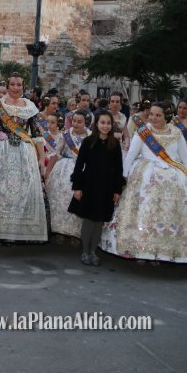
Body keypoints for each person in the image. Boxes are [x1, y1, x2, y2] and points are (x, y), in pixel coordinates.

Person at [102, 102, 187, 264]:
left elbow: (185, 158)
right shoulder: (143, 132)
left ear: (167, 116)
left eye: (158, 115)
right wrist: (122, 178)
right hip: (145, 179)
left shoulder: (176, 133)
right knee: (143, 215)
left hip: (173, 181)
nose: (153, 118)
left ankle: (163, 252)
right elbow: (130, 156)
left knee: (169, 217)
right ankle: (140, 250)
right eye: (151, 114)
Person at [0, 72, 47, 242]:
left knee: (21, 191)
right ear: (7, 87)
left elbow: (37, 134)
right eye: (12, 84)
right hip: (0, 151)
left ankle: (16, 231)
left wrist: (41, 158)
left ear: (23, 87)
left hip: (24, 153)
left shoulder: (30, 107)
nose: (15, 88)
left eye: (19, 84)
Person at [68, 111, 123, 266]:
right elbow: (79, 165)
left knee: (99, 221)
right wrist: (77, 187)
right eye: (102, 123)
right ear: (96, 124)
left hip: (106, 187)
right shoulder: (88, 142)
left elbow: (118, 169)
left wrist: (117, 190)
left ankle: (93, 251)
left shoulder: (115, 144)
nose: (105, 126)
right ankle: (85, 251)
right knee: (88, 220)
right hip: (89, 185)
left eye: (108, 123)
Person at [44, 110, 90, 239]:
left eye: (79, 122)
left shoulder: (91, 136)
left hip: (83, 170)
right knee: (60, 199)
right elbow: (57, 153)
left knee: (78, 200)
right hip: (64, 169)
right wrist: (48, 172)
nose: (75, 124)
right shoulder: (66, 135)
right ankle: (59, 230)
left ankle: (76, 233)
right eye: (74, 121)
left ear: (86, 123)